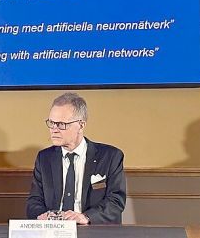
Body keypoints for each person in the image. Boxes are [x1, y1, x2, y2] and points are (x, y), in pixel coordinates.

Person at [26, 93, 126, 224]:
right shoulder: (44, 158)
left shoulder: (110, 156)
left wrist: (86, 217)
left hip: (92, 229)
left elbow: (116, 201)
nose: (54, 130)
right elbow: (34, 201)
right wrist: (41, 216)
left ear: (81, 125)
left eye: (61, 124)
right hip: (54, 230)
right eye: (51, 123)